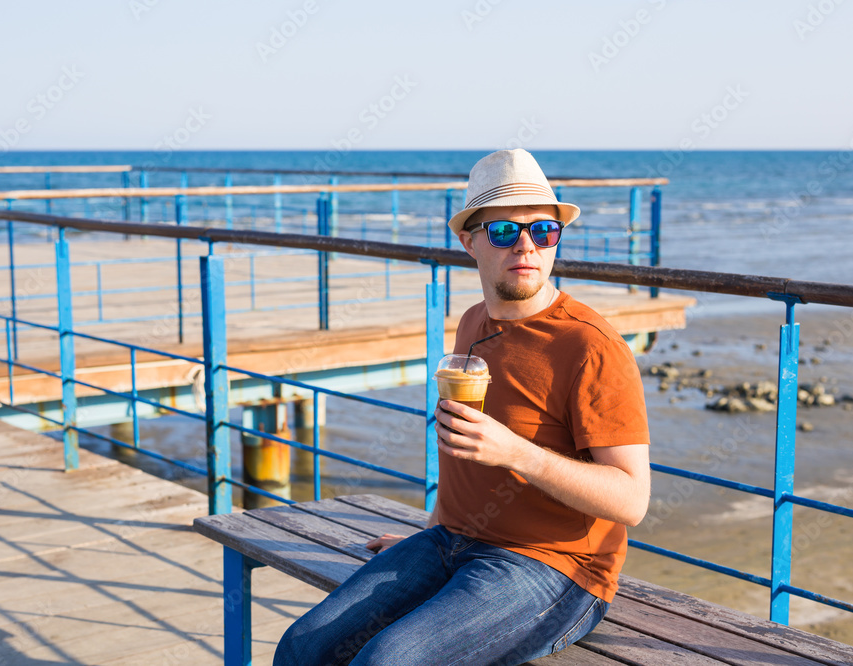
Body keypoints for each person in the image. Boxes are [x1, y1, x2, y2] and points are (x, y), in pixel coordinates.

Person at [274, 149, 651, 665]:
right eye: (503, 232)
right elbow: (461, 456)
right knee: (302, 648)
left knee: (387, 661)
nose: (526, 246)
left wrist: (518, 453)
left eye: (543, 231)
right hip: (451, 541)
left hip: (556, 568)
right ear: (469, 242)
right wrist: (426, 539)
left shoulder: (590, 346)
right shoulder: (473, 322)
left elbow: (632, 500)